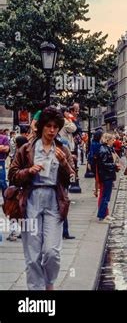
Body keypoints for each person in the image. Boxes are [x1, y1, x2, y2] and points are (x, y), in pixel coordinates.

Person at [8, 107, 75, 290]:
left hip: (54, 199)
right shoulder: (26, 149)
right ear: (41, 127)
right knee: (32, 253)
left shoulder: (62, 149)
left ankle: (49, 282)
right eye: (48, 126)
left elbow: (72, 179)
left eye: (55, 126)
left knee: (52, 252)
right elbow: (12, 175)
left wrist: (64, 165)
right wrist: (28, 171)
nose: (52, 130)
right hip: (31, 199)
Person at [96, 133, 120, 223]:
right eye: (111, 140)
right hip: (106, 176)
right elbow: (103, 164)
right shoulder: (104, 150)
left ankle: (105, 214)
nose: (113, 141)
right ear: (107, 140)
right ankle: (102, 216)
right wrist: (114, 165)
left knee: (107, 197)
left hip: (108, 175)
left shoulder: (107, 149)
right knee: (105, 197)